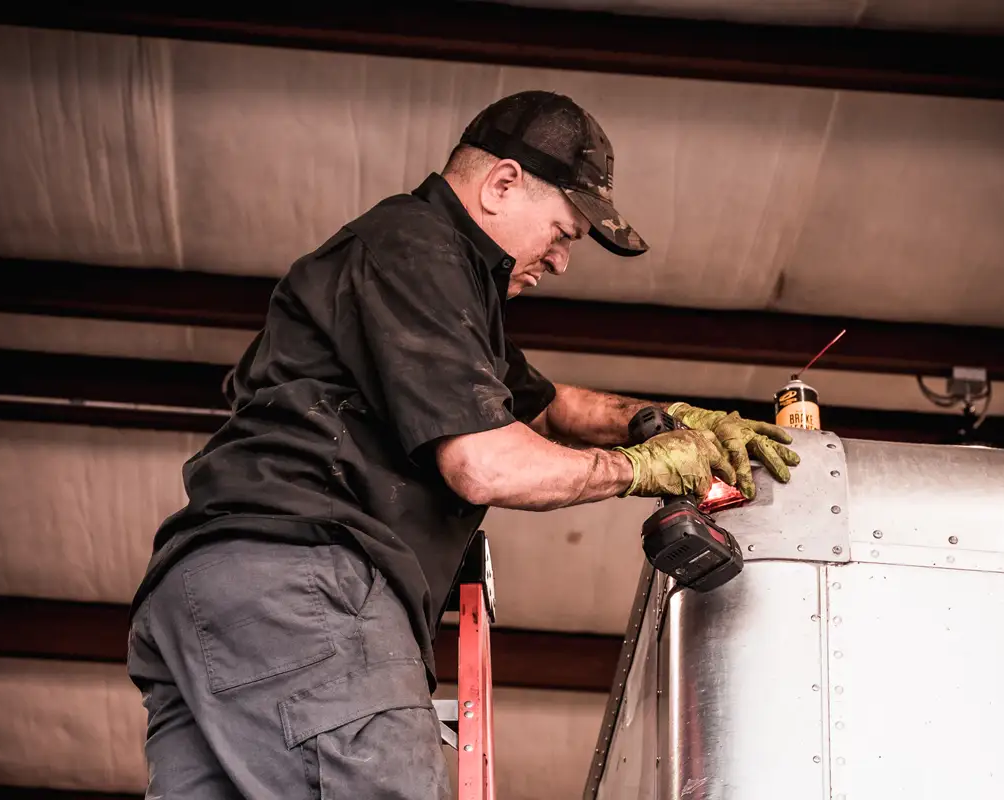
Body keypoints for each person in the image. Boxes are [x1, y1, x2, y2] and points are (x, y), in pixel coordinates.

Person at [125, 90, 800, 799]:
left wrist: (666, 417)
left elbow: (545, 408)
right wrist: (637, 469)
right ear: (502, 184)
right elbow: (484, 463)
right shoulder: (416, 246)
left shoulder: (432, 284)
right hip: (305, 582)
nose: (564, 261)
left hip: (206, 597)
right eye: (564, 232)